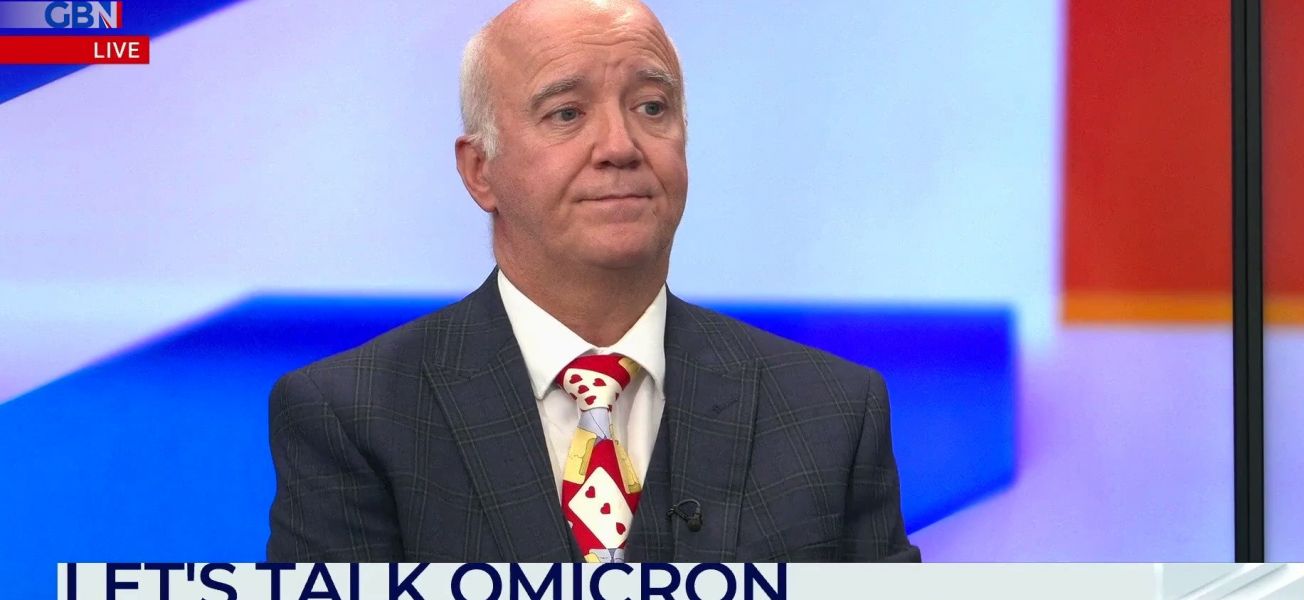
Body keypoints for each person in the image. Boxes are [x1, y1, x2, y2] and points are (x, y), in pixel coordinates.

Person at [267, 0, 919, 563]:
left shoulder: (832, 411)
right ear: (480, 170)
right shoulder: (352, 415)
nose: (620, 146)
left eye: (652, 107)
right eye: (566, 114)